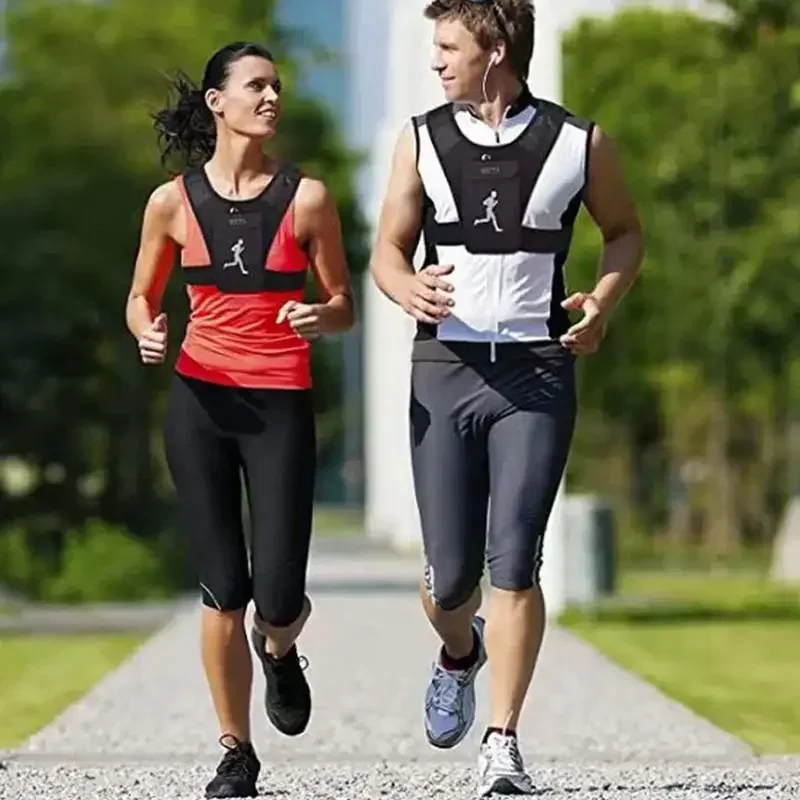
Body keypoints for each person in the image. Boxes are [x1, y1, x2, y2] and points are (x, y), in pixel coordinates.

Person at [369, 0, 643, 796]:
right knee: (450, 579)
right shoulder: (421, 139)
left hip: (536, 375)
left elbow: (625, 232)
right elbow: (387, 249)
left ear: (494, 48)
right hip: (445, 371)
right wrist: (403, 285)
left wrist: (604, 301)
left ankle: (503, 741)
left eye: (448, 46)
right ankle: (459, 651)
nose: (435, 61)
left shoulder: (579, 142)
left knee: (515, 560)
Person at [125, 41, 354, 799]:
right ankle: (235, 752)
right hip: (200, 404)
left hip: (280, 405)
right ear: (218, 102)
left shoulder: (309, 199)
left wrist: (322, 315)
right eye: (256, 85)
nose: (272, 97)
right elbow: (141, 296)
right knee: (223, 586)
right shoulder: (171, 203)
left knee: (278, 597)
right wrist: (146, 328)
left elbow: (344, 303)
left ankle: (279, 651)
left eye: (277, 86)